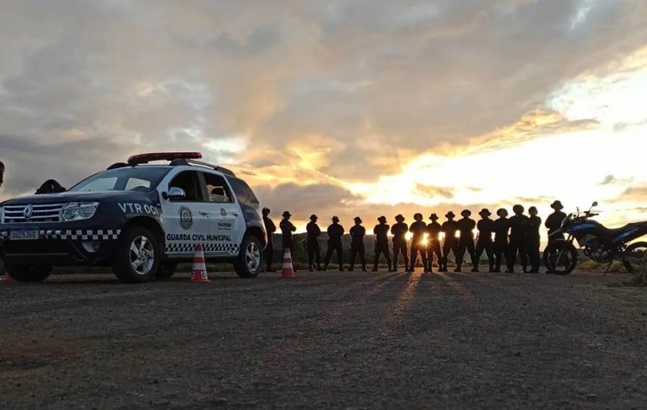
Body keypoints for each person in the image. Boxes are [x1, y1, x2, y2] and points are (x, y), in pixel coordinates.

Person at [545, 200, 566, 273]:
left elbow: (565, 224)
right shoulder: (551, 215)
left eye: (557, 206)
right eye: (555, 206)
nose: (556, 207)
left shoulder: (563, 215)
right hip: (552, 234)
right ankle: (552, 268)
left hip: (559, 233)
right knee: (551, 251)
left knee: (562, 251)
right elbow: (546, 224)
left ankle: (567, 266)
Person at [506, 204, 529, 273]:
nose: (518, 210)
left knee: (523, 254)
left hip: (522, 238)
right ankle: (510, 268)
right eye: (516, 209)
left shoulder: (525, 218)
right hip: (513, 238)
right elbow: (508, 227)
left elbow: (528, 228)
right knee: (512, 254)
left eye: (519, 209)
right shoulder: (512, 218)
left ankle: (524, 268)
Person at [474, 208, 495, 272]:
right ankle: (475, 267)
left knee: (490, 254)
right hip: (481, 239)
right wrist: (487, 227)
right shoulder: (480, 221)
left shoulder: (491, 221)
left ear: (487, 214)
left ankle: (491, 267)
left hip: (488, 239)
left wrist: (486, 228)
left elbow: (493, 229)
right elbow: (479, 228)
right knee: (477, 254)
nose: (483, 215)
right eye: (482, 214)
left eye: (484, 214)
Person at [492, 208, 510, 273]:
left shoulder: (508, 221)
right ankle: (497, 268)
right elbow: (492, 229)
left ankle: (509, 268)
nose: (502, 214)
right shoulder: (496, 221)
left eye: (503, 212)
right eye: (500, 213)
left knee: (507, 255)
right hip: (497, 239)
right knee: (498, 255)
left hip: (504, 239)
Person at [526, 206, 542, 273]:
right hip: (528, 237)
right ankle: (533, 267)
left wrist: (529, 224)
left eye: (533, 211)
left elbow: (535, 225)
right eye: (531, 211)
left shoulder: (538, 218)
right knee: (530, 253)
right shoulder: (528, 219)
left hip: (535, 237)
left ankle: (536, 268)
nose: (532, 212)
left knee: (535, 252)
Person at [262, 208, 277, 272]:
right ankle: (260, 267)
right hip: (262, 239)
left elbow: (274, 228)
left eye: (267, 212)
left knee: (270, 253)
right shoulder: (261, 220)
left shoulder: (269, 220)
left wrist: (269, 229)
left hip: (269, 239)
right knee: (262, 253)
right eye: (265, 212)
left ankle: (269, 267)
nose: (266, 213)